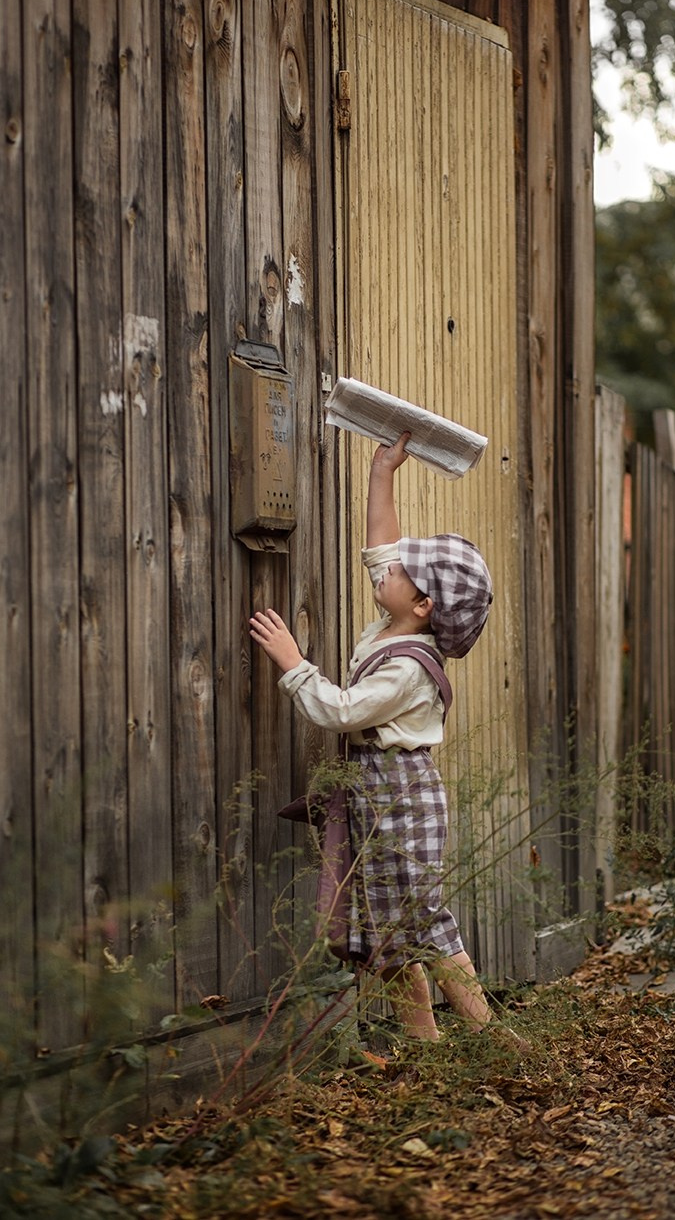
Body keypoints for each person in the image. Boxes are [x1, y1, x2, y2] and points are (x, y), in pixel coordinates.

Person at [249, 432, 525, 1053]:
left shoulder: (407, 666)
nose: (388, 567)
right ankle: (425, 1050)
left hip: (401, 799)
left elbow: (342, 711)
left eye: (402, 571)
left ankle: (492, 1038)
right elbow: (382, 547)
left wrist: (295, 662)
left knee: (423, 920)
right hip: (380, 796)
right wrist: (382, 473)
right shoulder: (397, 619)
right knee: (390, 931)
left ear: (424, 603)